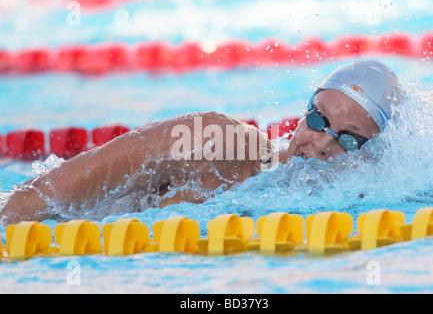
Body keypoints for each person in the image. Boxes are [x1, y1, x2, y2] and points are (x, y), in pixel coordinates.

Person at [0, 60, 403, 225]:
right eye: (318, 119)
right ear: (303, 112)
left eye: (349, 142)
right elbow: (37, 201)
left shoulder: (363, 206)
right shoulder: (212, 144)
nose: (319, 146)